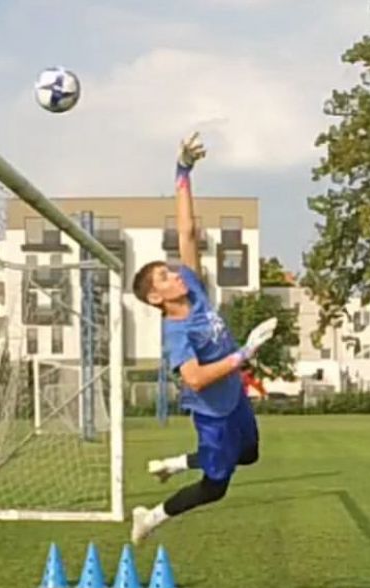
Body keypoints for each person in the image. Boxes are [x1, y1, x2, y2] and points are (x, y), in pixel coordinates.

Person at [128, 132, 276, 545]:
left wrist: (183, 173)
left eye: (171, 270)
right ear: (156, 298)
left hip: (235, 397)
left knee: (250, 455)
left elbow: (188, 233)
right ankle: (150, 516)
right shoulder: (176, 333)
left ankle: (175, 463)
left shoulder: (192, 287)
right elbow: (193, 379)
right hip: (213, 414)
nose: (175, 274)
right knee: (216, 487)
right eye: (164, 277)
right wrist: (243, 354)